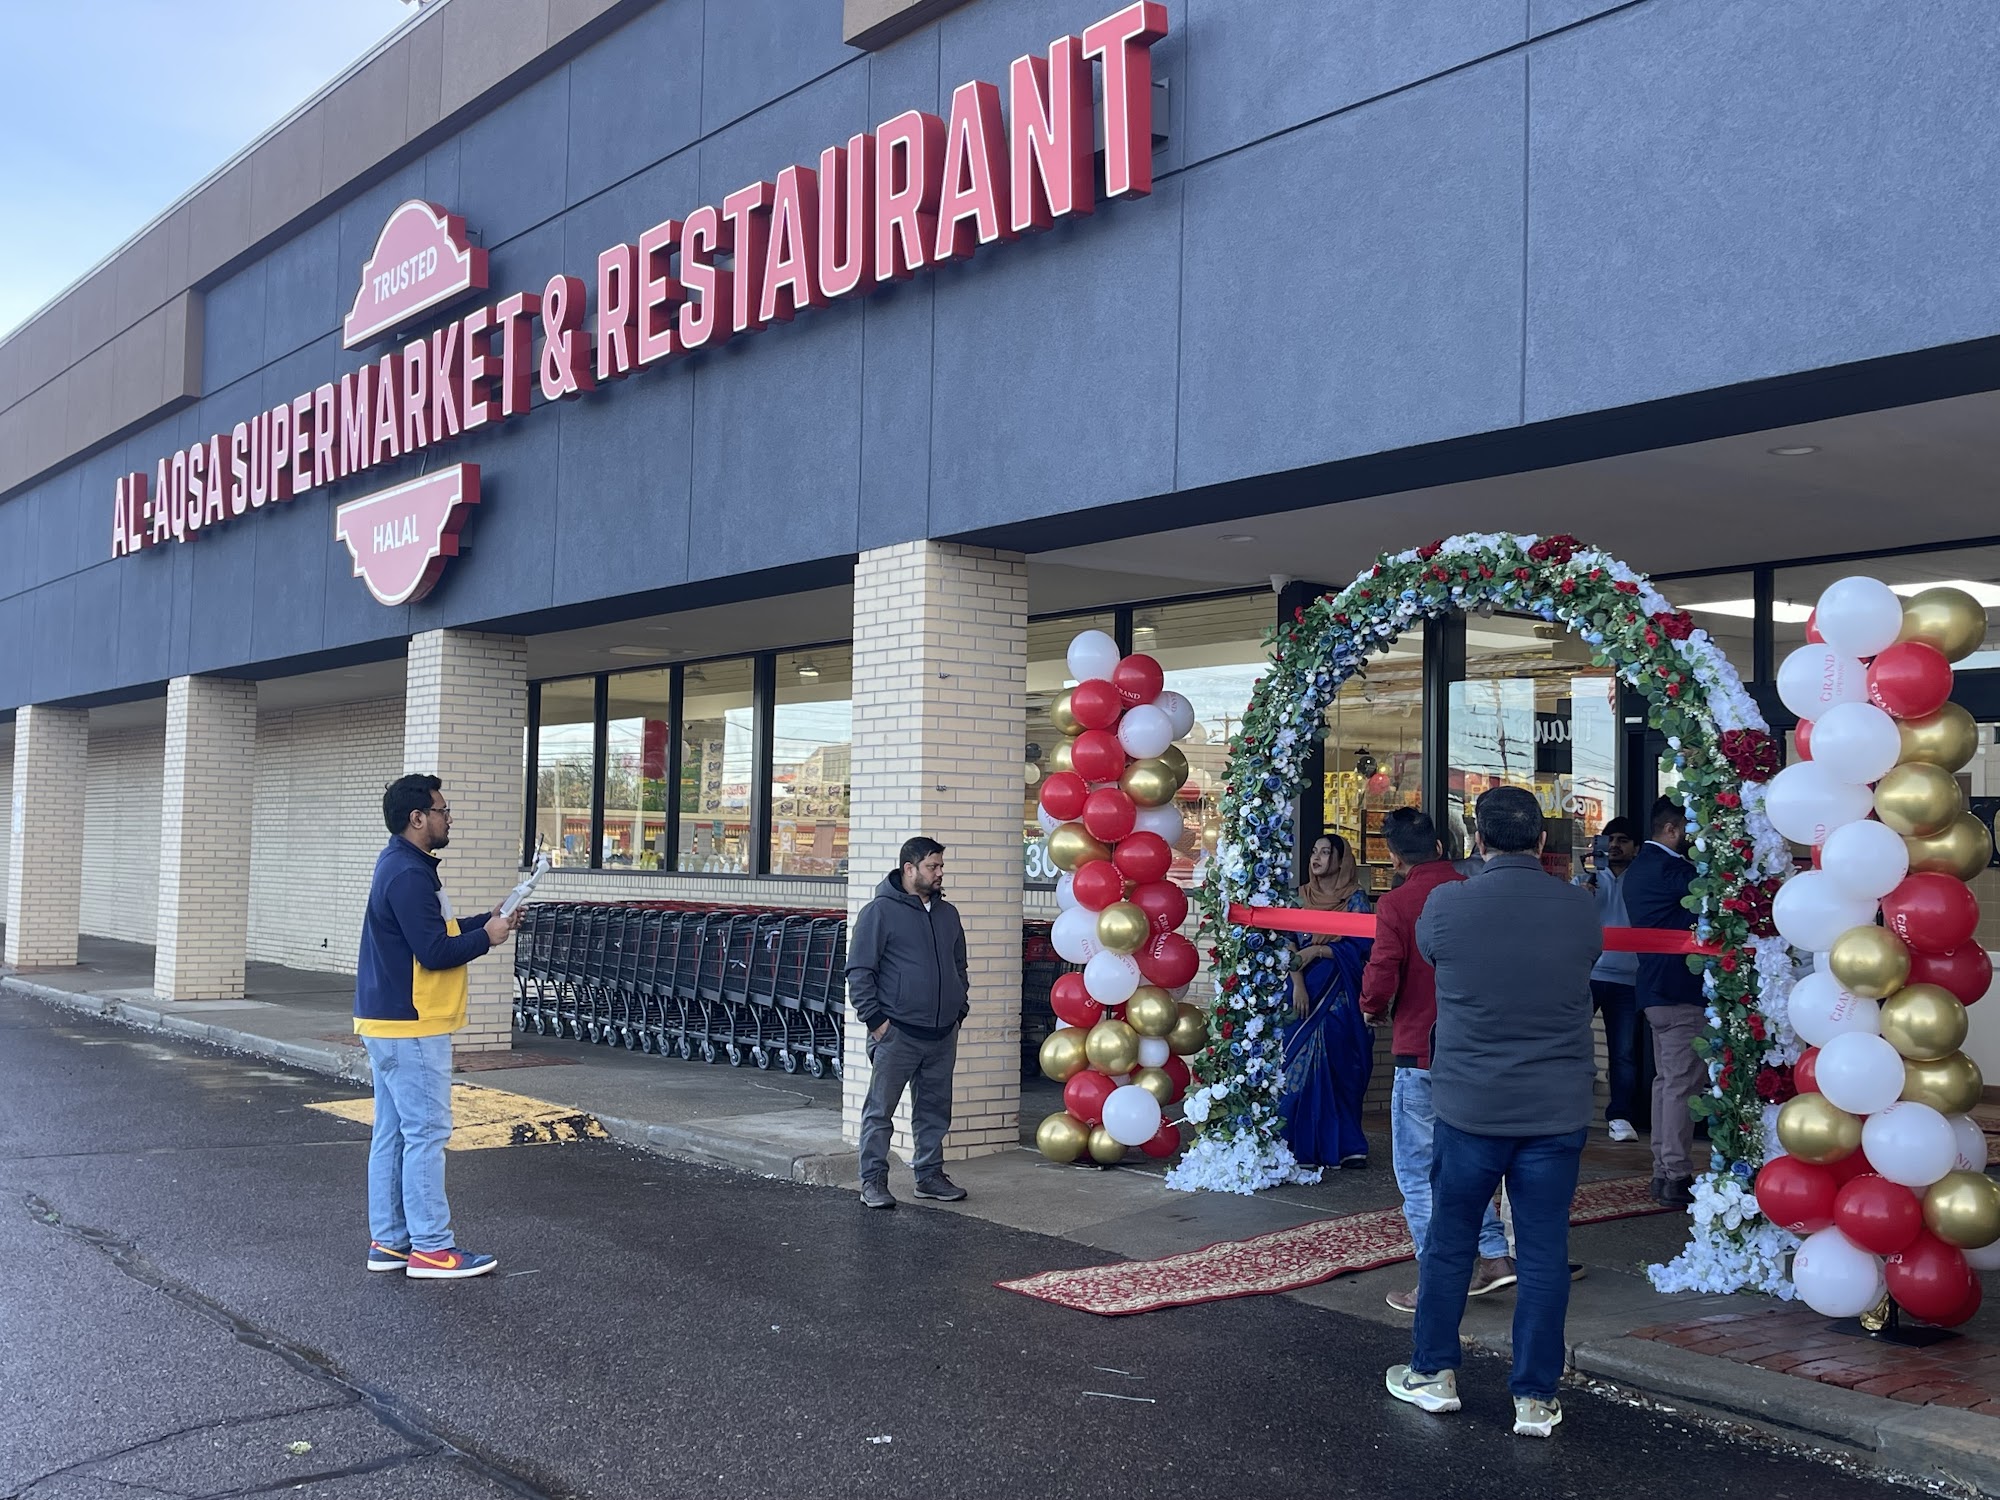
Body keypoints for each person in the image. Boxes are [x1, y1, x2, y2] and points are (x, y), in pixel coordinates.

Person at [1387, 785, 1601, 1440]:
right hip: (1555, 1108)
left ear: (1477, 841)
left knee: (1451, 1243)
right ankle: (1535, 1398)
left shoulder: (1448, 905)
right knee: (1541, 1251)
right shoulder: (1578, 909)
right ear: (1542, 842)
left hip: (1469, 1104)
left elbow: (1429, 954)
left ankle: (1434, 1373)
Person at [355, 774, 516, 1280]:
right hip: (412, 1025)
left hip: (388, 1021)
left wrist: (486, 922)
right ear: (417, 818)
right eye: (442, 811)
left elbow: (432, 933)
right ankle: (431, 1248)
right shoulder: (408, 875)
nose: (449, 819)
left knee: (394, 1134)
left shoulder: (403, 867)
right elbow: (433, 952)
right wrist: (488, 939)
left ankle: (391, 1242)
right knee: (425, 1133)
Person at [1359, 808, 1513, 1314]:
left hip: (1420, 1049)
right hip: (1477, 1050)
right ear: (1443, 846)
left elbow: (1382, 971)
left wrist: (1371, 1008)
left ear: (1395, 854)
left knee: (1420, 1175)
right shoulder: (1476, 894)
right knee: (1467, 1166)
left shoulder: (1399, 902)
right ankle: (1494, 1256)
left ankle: (1436, 1284)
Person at [849, 837, 970, 1210]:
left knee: (935, 1110)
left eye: (940, 867)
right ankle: (872, 1181)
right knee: (880, 1111)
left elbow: (958, 966)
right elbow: (859, 971)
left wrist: (958, 1009)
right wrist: (876, 1022)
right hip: (897, 1032)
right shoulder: (879, 912)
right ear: (909, 869)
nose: (939, 873)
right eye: (932, 866)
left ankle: (929, 1176)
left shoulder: (947, 914)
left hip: (941, 1032)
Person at [1623, 796, 1704, 1208]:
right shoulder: (1671, 868)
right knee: (1679, 1085)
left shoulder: (1639, 869)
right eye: (1688, 830)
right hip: (1679, 993)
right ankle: (1675, 1174)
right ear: (1671, 830)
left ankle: (1662, 1169)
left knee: (1665, 1084)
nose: (1692, 840)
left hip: (1655, 990)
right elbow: (1710, 890)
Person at [1278, 833, 1375, 1169]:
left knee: (1341, 1069)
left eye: (1325, 852)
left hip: (1339, 1002)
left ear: (1341, 860)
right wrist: (1298, 983)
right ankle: (1299, 1147)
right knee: (1296, 1071)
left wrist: (1318, 950)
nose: (1316, 858)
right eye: (1314, 851)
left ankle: (1347, 1146)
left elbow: (1360, 949)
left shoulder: (1355, 901)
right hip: (1303, 996)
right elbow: (1287, 943)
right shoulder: (1299, 899)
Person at [1579, 816, 1644, 1143]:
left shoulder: (1642, 880)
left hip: (1628, 978)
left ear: (1636, 847)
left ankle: (1620, 1117)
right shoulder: (1587, 879)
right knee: (1574, 1045)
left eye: (1623, 840)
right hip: (1589, 973)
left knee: (1623, 1052)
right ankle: (1571, 1111)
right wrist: (1583, 894)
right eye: (1610, 840)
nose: (1616, 846)